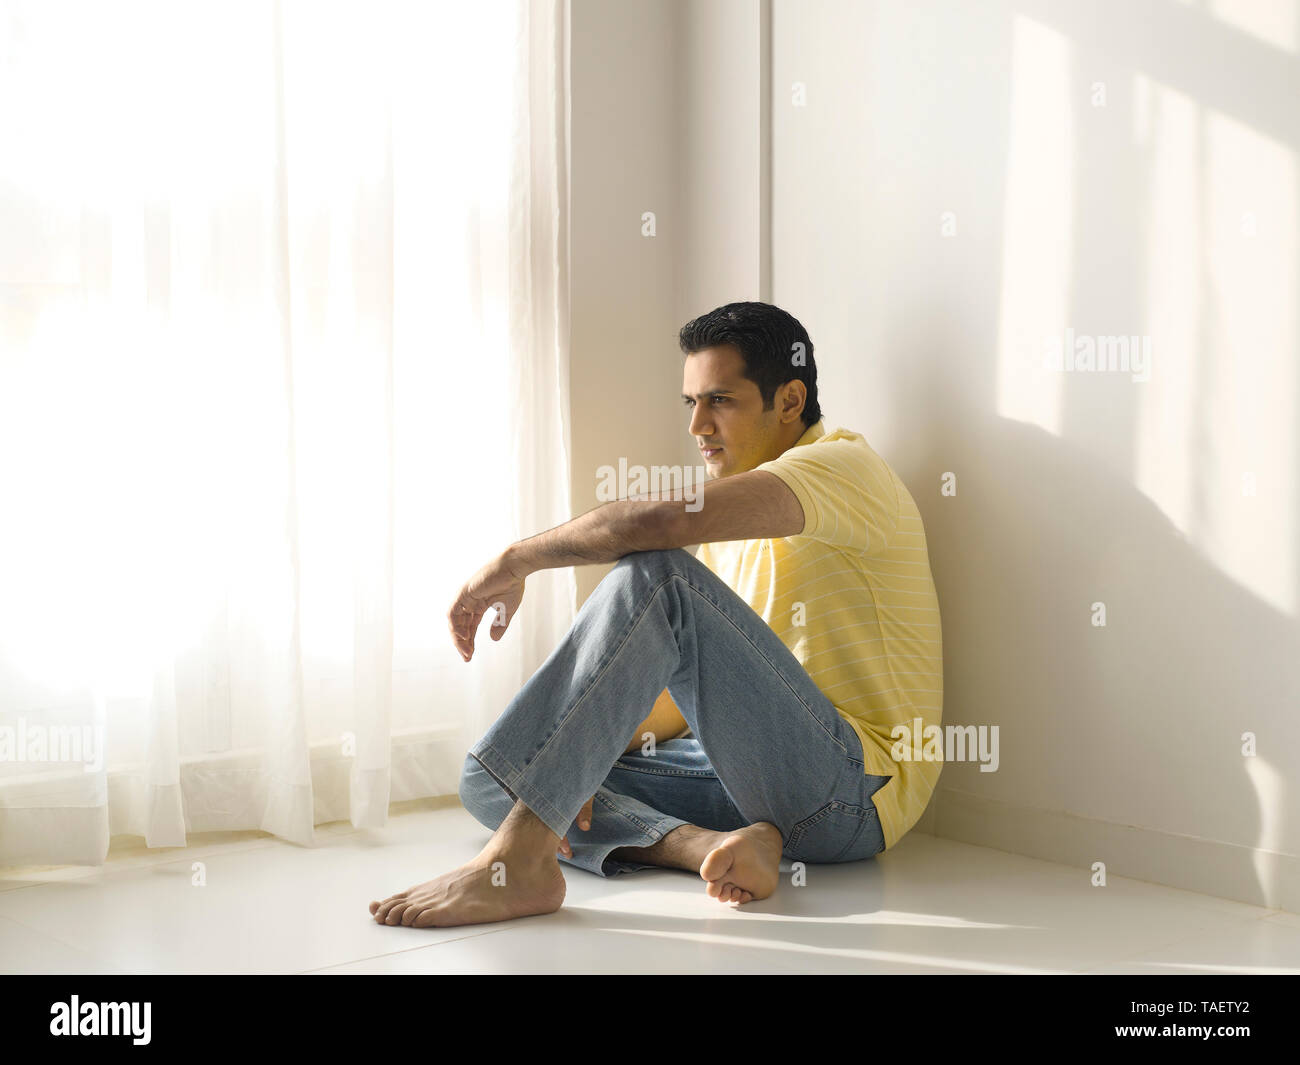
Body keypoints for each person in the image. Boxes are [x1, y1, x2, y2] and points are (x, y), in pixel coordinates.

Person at [369, 301, 943, 928]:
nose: (698, 425)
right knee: (498, 777)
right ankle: (709, 849)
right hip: (741, 783)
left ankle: (523, 861)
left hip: (851, 794)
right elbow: (683, 691)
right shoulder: (736, 523)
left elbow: (655, 525)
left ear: (789, 400)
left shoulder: (846, 468)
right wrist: (582, 756)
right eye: (690, 403)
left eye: (720, 400)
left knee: (654, 572)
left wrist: (517, 559)